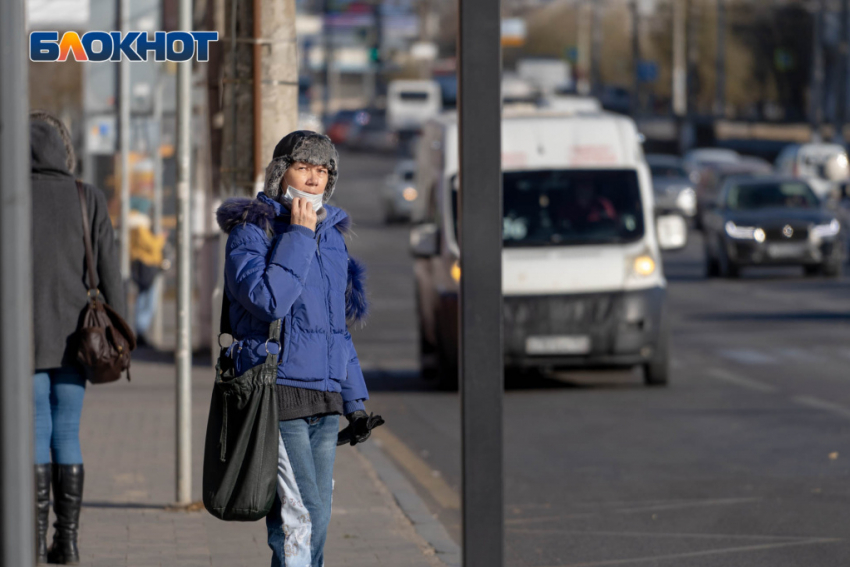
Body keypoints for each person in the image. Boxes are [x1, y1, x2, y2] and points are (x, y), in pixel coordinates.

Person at [215, 131, 378, 567]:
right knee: (298, 519)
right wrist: (300, 235)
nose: (312, 179)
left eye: (322, 171)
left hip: (323, 402)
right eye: (303, 167)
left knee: (315, 518)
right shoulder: (253, 231)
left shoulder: (332, 237)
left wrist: (354, 401)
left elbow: (335, 331)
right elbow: (269, 299)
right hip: (276, 395)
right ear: (279, 172)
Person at [30, 111, 124, 564]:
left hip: (21, 343)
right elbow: (110, 274)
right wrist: (121, 334)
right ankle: (66, 544)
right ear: (64, 149)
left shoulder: (9, 198)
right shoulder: (86, 197)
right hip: (78, 339)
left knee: (34, 432)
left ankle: (29, 541)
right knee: (66, 432)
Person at [129, 196, 167, 345]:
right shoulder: (139, 225)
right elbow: (151, 245)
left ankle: (141, 330)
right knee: (148, 300)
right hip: (147, 264)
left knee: (143, 298)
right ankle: (141, 330)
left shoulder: (134, 224)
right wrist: (161, 238)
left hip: (141, 265)